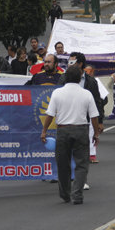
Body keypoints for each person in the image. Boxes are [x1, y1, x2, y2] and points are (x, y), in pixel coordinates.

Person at [40, 66, 100, 205]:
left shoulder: (57, 93)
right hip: (81, 130)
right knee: (82, 164)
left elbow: (50, 115)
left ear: (65, 77)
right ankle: (77, 194)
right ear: (80, 78)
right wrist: (96, 133)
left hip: (63, 130)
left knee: (63, 164)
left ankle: (65, 194)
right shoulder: (86, 94)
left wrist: (44, 131)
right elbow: (94, 116)